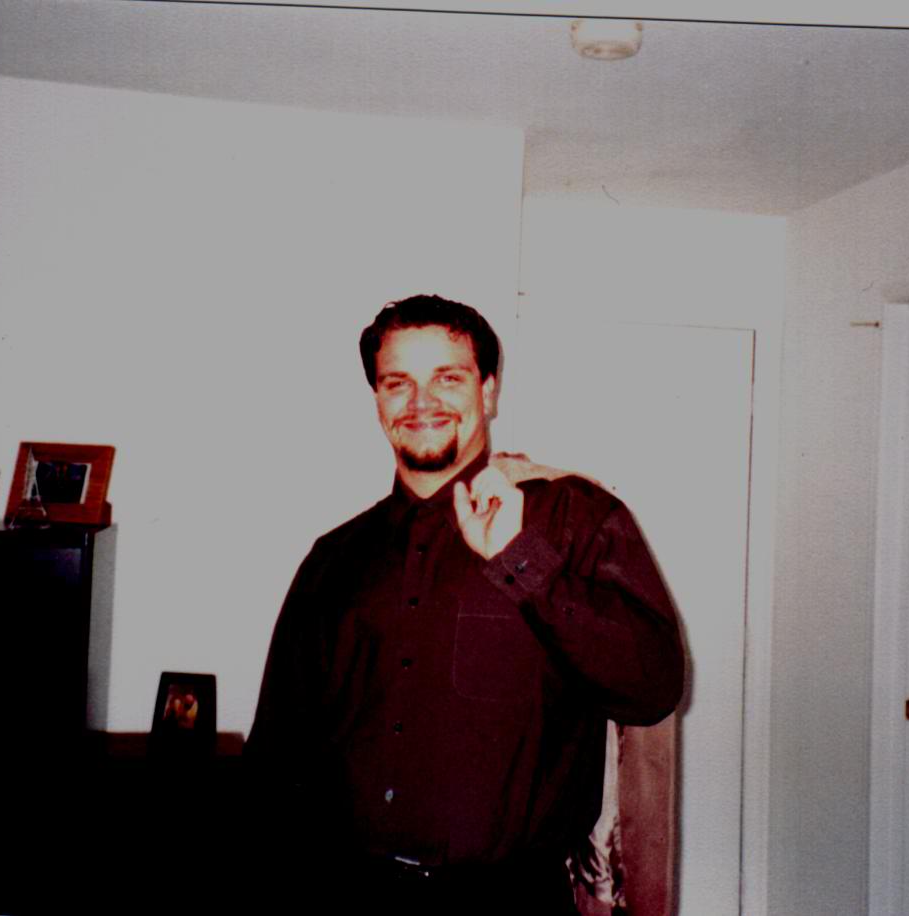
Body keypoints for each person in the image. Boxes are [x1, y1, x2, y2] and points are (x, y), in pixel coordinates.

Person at [243, 294, 684, 900]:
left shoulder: (574, 519)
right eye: (398, 383)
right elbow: (274, 760)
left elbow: (654, 687)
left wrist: (523, 562)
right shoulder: (333, 558)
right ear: (377, 400)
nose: (421, 402)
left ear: (489, 391)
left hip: (508, 899)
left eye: (447, 378)